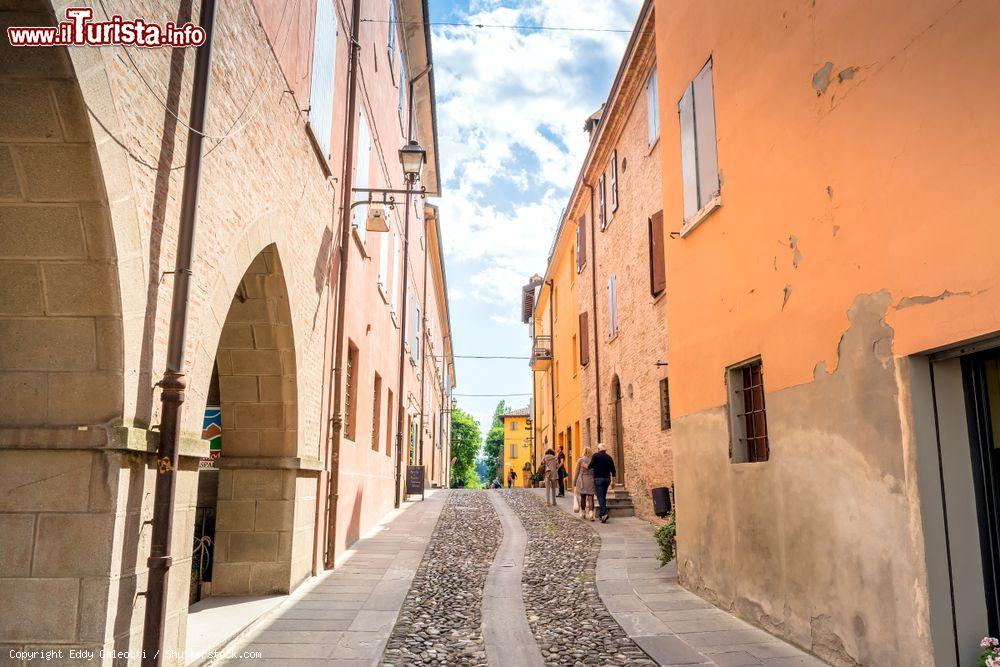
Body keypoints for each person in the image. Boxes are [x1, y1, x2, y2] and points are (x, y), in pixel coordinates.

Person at [589, 443, 617, 522]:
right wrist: (613, 482)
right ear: (605, 450)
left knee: (600, 497)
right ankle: (602, 515)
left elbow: (591, 466)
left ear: (598, 449)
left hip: (598, 479)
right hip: (607, 480)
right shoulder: (609, 458)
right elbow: (613, 471)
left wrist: (585, 466)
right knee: (603, 497)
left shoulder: (595, 456)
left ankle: (604, 513)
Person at [573, 447, 597, 521]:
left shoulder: (580, 460)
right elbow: (595, 471)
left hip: (582, 480)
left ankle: (583, 513)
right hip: (591, 480)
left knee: (583, 497)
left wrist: (574, 482)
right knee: (591, 497)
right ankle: (591, 513)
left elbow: (576, 472)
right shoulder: (593, 460)